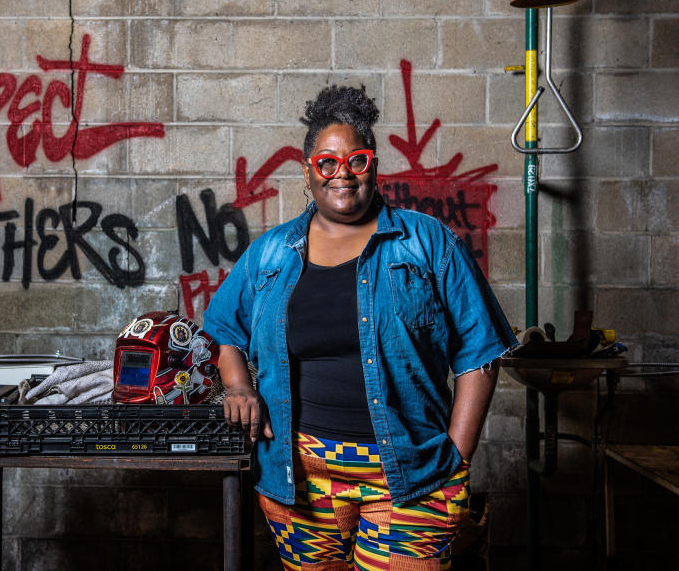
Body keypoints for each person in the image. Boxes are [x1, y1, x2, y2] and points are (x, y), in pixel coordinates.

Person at [202, 85, 515, 571]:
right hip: (298, 481)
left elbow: (481, 352)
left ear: (374, 167)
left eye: (357, 160)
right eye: (326, 162)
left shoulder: (426, 242)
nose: (341, 173)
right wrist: (238, 385)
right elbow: (225, 328)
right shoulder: (271, 252)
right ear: (308, 173)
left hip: (412, 477)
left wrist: (456, 457)